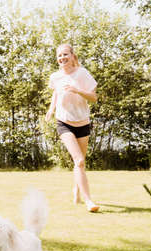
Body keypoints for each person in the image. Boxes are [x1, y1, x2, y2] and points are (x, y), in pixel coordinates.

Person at [45, 44, 99, 212]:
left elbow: (94, 98)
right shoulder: (55, 76)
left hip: (82, 122)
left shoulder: (82, 74)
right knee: (79, 160)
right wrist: (51, 109)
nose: (62, 58)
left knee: (80, 163)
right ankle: (89, 201)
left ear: (72, 55)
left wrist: (78, 91)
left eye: (65, 54)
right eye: (59, 55)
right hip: (64, 122)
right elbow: (55, 92)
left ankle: (76, 190)